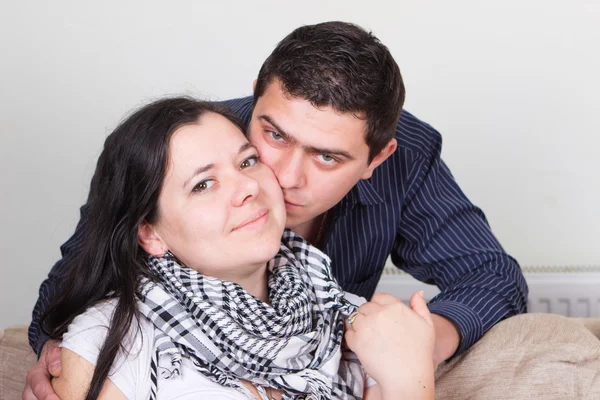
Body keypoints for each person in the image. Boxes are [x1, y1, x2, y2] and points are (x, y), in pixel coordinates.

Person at [24, 21, 527, 399]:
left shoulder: (405, 159)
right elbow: (69, 289)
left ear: (377, 158)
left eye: (327, 157)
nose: (280, 177)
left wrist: (417, 351)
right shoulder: (170, 147)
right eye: (272, 136)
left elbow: (492, 277)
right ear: (256, 100)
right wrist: (64, 354)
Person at [43, 97, 436, 399]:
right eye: (203, 184)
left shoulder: (356, 326)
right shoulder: (107, 340)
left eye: (247, 162)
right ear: (150, 234)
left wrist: (409, 378)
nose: (249, 187)